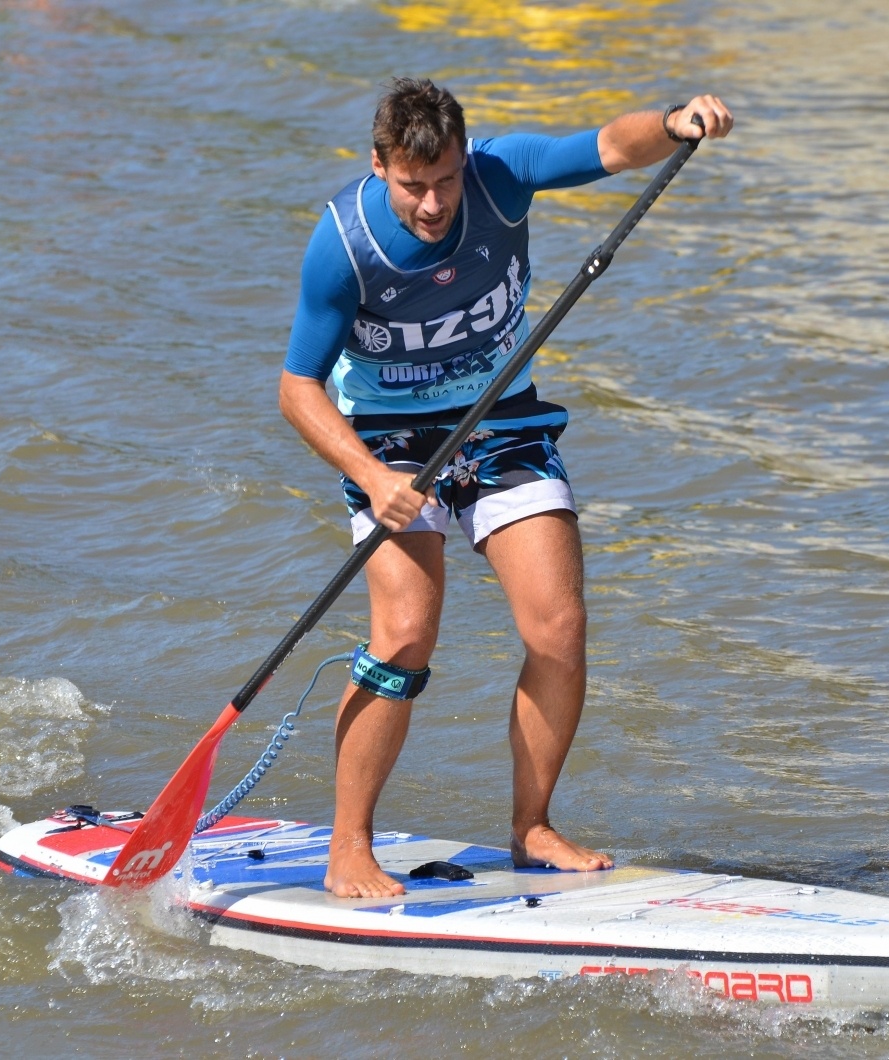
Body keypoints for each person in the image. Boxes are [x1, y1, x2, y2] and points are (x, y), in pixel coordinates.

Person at [280, 77, 733, 898]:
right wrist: (373, 477)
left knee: (558, 625)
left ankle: (532, 829)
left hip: (501, 421)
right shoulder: (341, 244)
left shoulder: (501, 173)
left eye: (445, 180)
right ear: (378, 165)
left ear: (464, 157)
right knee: (406, 634)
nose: (432, 203)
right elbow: (298, 389)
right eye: (413, 185)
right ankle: (349, 845)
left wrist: (673, 123)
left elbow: (608, 147)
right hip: (390, 441)